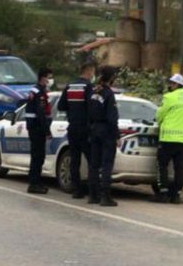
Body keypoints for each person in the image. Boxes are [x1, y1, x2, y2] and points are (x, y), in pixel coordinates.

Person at [152, 73, 183, 204]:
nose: (170, 85)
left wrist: (158, 122)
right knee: (179, 168)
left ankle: (163, 193)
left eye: (172, 83)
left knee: (162, 165)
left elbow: (159, 114)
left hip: (168, 138)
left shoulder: (169, 97)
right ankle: (176, 194)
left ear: (177, 85)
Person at [57, 62, 95, 199]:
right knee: (92, 159)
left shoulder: (69, 86)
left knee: (75, 159)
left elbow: (61, 106)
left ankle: (77, 190)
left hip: (72, 127)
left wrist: (72, 111)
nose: (93, 75)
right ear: (88, 71)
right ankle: (92, 190)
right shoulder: (88, 87)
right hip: (85, 128)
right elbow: (92, 107)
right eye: (92, 72)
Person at [87, 66, 119, 207]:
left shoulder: (94, 92)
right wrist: (116, 135)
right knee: (106, 164)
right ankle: (105, 196)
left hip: (94, 129)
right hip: (106, 131)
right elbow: (112, 118)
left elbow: (88, 111)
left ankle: (93, 195)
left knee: (94, 164)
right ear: (111, 78)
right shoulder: (108, 94)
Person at [25, 67, 54, 194]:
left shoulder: (35, 90)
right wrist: (47, 131)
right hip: (37, 128)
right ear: (43, 78)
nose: (50, 80)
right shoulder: (40, 93)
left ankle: (35, 182)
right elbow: (41, 113)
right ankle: (34, 184)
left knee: (36, 156)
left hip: (34, 127)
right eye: (49, 77)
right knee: (38, 156)